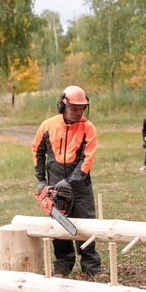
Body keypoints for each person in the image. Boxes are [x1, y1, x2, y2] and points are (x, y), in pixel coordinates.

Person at [31, 85, 104, 278]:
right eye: (74, 109)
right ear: (62, 106)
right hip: (54, 183)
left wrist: (71, 181)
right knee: (59, 226)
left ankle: (91, 266)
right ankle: (63, 265)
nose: (78, 112)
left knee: (85, 224)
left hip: (80, 186)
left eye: (81, 109)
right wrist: (41, 179)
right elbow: (37, 150)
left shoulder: (88, 128)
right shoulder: (48, 125)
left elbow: (87, 160)